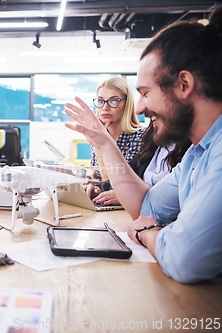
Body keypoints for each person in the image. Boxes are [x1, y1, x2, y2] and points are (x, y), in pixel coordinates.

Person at [64, 6, 222, 283]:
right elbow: (147, 206)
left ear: (184, 85)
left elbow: (185, 259)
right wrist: (102, 141)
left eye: (146, 93)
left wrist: (148, 233)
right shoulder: (199, 154)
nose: (140, 109)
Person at [90, 122, 191, 206]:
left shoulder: (191, 151)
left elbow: (176, 199)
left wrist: (133, 196)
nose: (140, 110)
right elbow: (130, 177)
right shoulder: (151, 143)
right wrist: (98, 188)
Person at [89, 77, 144, 181]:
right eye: (100, 101)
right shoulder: (99, 133)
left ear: (126, 104)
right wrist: (90, 177)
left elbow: (113, 184)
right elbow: (94, 169)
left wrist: (99, 145)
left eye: (113, 101)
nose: (105, 107)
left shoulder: (140, 137)